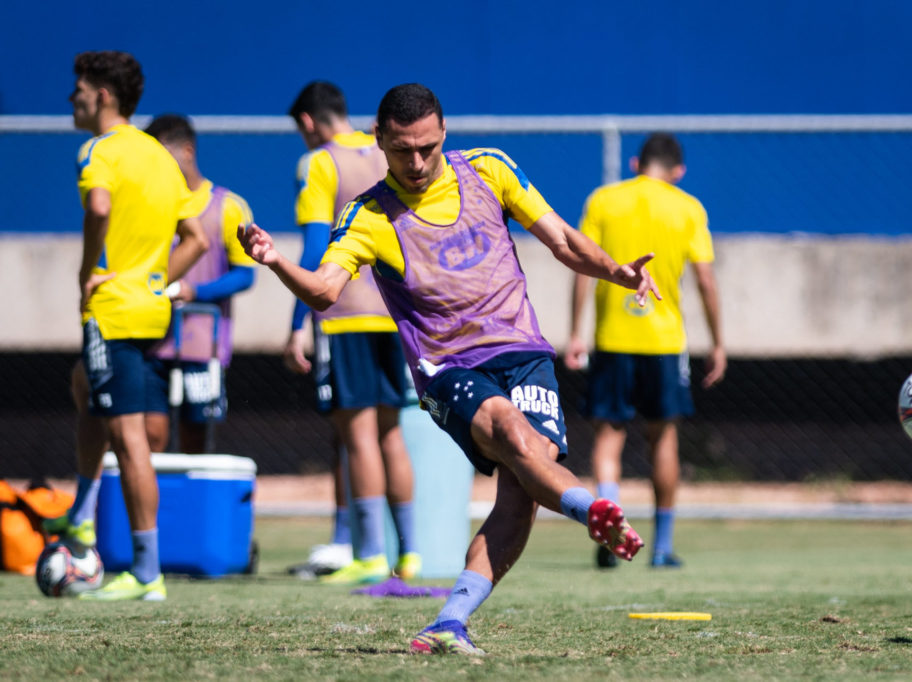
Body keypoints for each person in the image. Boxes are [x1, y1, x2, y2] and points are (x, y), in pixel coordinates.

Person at [239, 83, 654, 655]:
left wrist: (619, 273)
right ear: (378, 140)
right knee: (512, 432)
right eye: (404, 149)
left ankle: (448, 622)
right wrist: (275, 259)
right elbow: (324, 291)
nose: (417, 162)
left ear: (444, 135)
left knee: (520, 492)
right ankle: (592, 509)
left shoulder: (490, 170)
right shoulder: (366, 215)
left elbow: (560, 238)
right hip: (448, 368)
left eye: (428, 147)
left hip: (525, 353)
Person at [44, 51, 209, 601]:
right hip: (149, 309)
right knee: (84, 387)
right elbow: (198, 240)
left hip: (112, 311)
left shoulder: (98, 150)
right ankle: (82, 515)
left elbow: (98, 208)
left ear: (104, 96)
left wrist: (90, 272)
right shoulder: (160, 156)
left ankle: (146, 572)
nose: (73, 98)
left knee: (128, 436)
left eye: (80, 89)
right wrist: (157, 282)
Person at [566, 132, 726, 569]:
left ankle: (611, 531)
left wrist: (575, 332)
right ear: (678, 171)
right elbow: (706, 282)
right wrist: (718, 343)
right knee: (663, 438)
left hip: (612, 338)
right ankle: (660, 548)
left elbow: (583, 267)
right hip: (664, 341)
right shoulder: (688, 207)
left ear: (635, 163)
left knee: (608, 437)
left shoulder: (603, 200)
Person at [282, 81, 419, 584]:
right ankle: (411, 553)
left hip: (344, 316)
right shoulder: (387, 150)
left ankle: (370, 556)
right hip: (396, 311)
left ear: (307, 122)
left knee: (356, 436)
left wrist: (298, 323)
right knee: (391, 434)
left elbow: (317, 246)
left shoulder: (320, 162)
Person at [145, 113, 257, 454]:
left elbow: (245, 274)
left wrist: (197, 292)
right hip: (151, 340)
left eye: (162, 156)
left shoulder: (228, 206)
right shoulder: (149, 204)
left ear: (187, 151)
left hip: (202, 345)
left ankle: (188, 505)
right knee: (151, 435)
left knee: (196, 437)